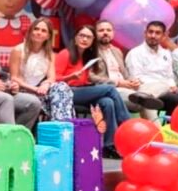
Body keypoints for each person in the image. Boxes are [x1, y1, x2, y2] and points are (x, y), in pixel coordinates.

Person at [56, 25, 131, 154]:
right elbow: (55, 79)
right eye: (82, 36)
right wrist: (70, 77)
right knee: (110, 89)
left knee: (108, 102)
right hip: (66, 92)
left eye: (89, 37)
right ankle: (128, 126)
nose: (84, 39)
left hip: (83, 90)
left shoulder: (88, 57)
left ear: (92, 41)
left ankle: (109, 145)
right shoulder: (66, 53)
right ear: (75, 38)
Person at [89, 20, 165, 115]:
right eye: (101, 30)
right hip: (110, 89)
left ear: (113, 33)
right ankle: (146, 103)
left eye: (108, 30)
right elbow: (90, 77)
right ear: (95, 33)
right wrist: (118, 83)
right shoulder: (91, 51)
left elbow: (125, 74)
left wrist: (132, 81)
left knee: (162, 85)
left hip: (127, 87)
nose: (105, 33)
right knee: (143, 102)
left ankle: (145, 97)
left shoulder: (117, 51)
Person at [126, 21, 178, 114]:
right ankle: (170, 126)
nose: (153, 35)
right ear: (145, 33)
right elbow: (136, 77)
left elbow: (169, 75)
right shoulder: (135, 53)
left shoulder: (166, 53)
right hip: (146, 90)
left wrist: (172, 85)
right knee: (175, 99)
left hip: (166, 89)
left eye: (157, 33)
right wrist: (166, 85)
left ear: (163, 35)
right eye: (150, 32)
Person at [8, 17, 75, 121]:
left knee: (62, 87)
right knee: (60, 96)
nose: (39, 32)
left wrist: (46, 84)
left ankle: (60, 123)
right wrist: (35, 89)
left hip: (40, 92)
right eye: (36, 29)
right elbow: (14, 78)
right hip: (22, 90)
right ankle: (62, 125)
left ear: (48, 36)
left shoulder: (50, 54)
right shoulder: (18, 50)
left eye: (43, 31)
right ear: (30, 32)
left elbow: (51, 78)